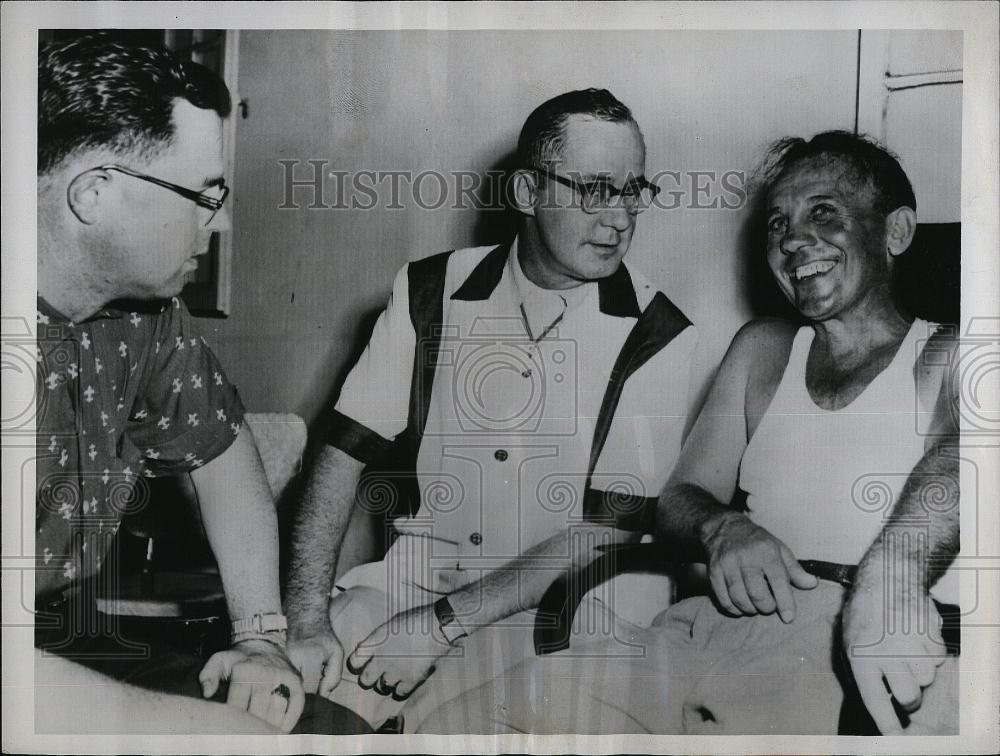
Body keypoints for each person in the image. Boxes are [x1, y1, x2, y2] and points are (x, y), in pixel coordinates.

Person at [421, 131, 960, 735]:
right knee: (459, 725)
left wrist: (891, 577)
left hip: (839, 645)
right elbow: (681, 495)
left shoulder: (952, 353)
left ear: (897, 231)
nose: (793, 240)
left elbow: (959, 465)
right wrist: (723, 526)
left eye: (824, 213)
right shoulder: (762, 351)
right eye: (777, 224)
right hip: (704, 631)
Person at [286, 88, 698, 731]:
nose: (619, 218)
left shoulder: (660, 333)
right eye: (594, 189)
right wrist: (306, 622)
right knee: (291, 700)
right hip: (414, 588)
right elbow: (341, 454)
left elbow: (604, 532)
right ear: (526, 193)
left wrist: (443, 626)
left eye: (632, 190)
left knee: (448, 726)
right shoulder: (428, 291)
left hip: (575, 612)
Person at [34, 34, 369, 734]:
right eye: (205, 195)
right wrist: (195, 731)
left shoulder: (147, 316)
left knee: (324, 729)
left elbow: (218, 450)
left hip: (50, 633)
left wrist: (260, 638)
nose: (220, 223)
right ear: (95, 193)